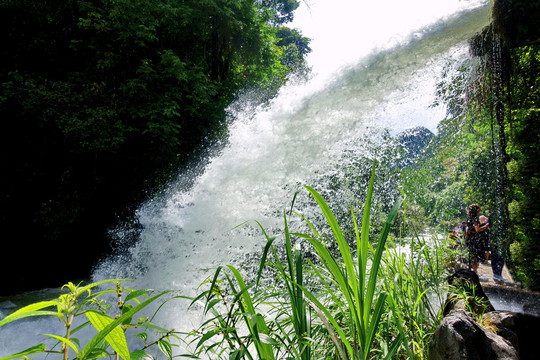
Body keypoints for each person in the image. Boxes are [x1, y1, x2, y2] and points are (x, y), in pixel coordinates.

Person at [465, 204, 490, 272]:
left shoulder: (469, 217)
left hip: (469, 237)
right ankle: (474, 271)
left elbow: (468, 228)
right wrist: (486, 225)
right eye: (478, 210)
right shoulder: (475, 218)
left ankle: (469, 269)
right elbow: (477, 229)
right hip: (474, 238)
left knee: (469, 253)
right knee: (475, 254)